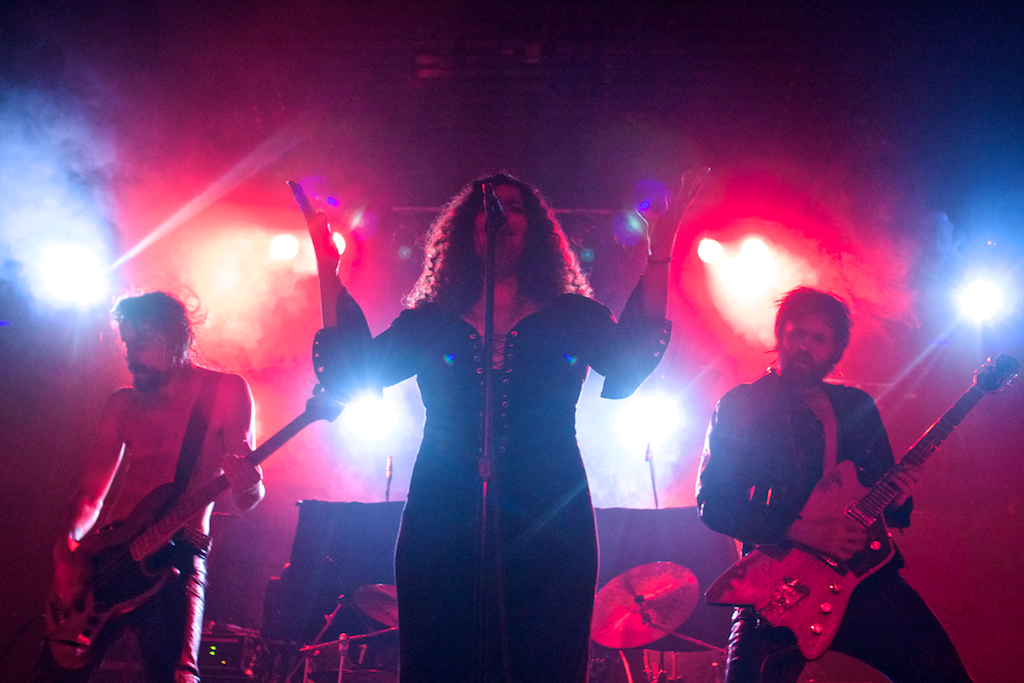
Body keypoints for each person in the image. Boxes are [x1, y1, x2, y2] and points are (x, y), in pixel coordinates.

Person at [305, 171, 707, 683]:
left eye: (515, 207)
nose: (501, 216)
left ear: (533, 228)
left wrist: (660, 254)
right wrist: (327, 269)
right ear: (466, 230)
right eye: (488, 207)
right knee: (441, 655)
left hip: (549, 508)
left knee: (543, 655)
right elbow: (354, 371)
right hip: (442, 509)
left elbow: (630, 356)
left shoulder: (570, 316)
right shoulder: (430, 321)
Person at [696, 287, 974, 683]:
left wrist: (898, 498)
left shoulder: (855, 406)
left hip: (864, 577)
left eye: (819, 339)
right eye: (797, 333)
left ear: (836, 350)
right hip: (779, 581)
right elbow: (714, 502)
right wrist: (800, 530)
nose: (804, 347)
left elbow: (881, 492)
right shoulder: (742, 405)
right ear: (780, 333)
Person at [35, 291, 265, 683]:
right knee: (54, 675)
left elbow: (248, 498)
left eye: (140, 344)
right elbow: (90, 496)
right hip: (108, 557)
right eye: (127, 344)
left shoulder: (225, 392)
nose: (130, 356)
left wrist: (249, 485)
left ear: (175, 339)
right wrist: (65, 552)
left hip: (180, 551)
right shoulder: (122, 404)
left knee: (177, 675)